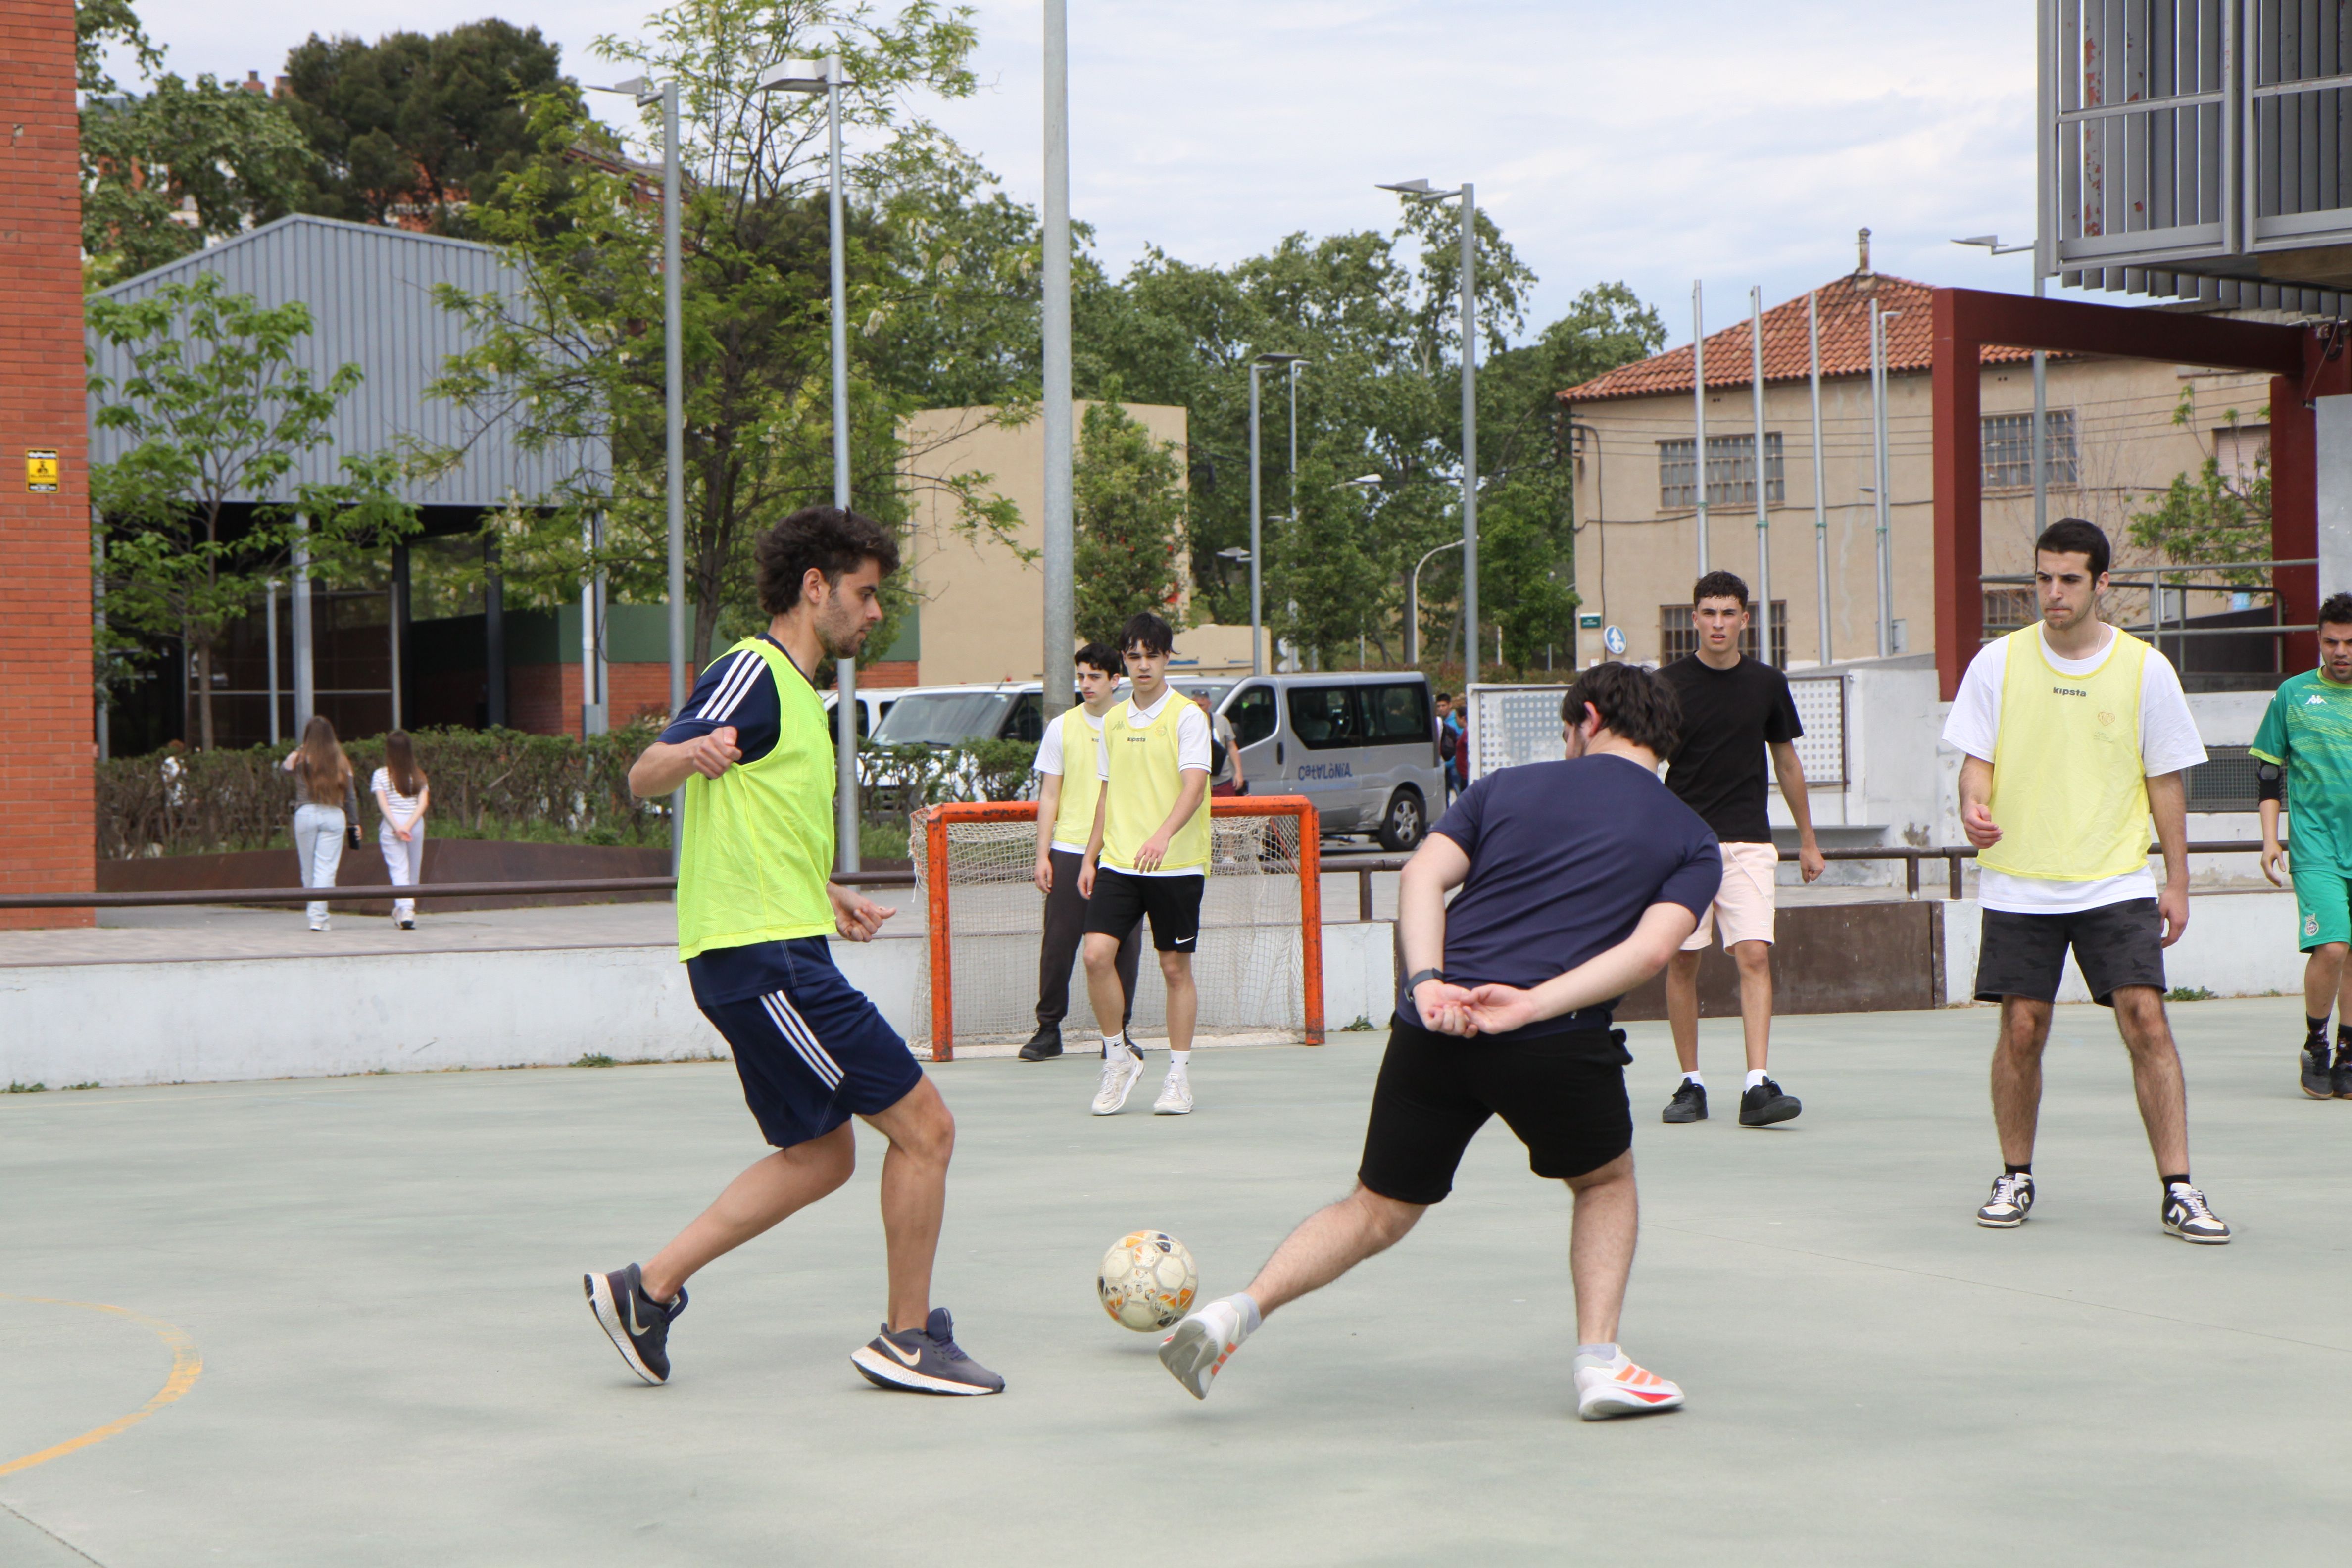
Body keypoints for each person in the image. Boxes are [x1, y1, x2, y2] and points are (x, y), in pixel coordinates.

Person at [1155, 663, 1719, 1420]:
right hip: (1556, 1037)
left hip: (1438, 1024)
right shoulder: (1692, 836)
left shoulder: (1507, 788)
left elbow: (1422, 876)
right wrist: (1529, 1008)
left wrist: (1425, 982)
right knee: (1604, 1183)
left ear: (1588, 719)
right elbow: (1651, 954)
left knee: (1376, 1207)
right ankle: (1599, 1363)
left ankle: (1238, 1311)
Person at [585, 505, 1004, 1396]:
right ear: (814, 589)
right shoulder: (755, 669)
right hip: (765, 959)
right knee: (926, 1128)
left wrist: (826, 892)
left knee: (824, 1154)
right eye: (865, 593)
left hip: (767, 949)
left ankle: (645, 1291)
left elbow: (760, 827)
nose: (874, 611)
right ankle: (906, 1337)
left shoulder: (798, 700)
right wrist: (687, 750)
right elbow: (642, 773)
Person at [1943, 517, 2227, 1243]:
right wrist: (1972, 808)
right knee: (2022, 1028)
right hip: (2020, 882)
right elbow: (1976, 762)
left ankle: (2180, 1188)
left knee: (2147, 1021)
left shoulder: (2145, 669)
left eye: (2069, 579)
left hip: (2115, 880)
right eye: (2043, 577)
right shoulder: (1997, 663)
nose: (2053, 592)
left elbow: (2165, 782)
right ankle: (2015, 1174)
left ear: (2102, 583)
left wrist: (2179, 881)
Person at [1653, 571, 1825, 1128]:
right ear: (1694, 618)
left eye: (1729, 613)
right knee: (1683, 961)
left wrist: (1808, 840)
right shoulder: (1666, 685)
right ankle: (1691, 1083)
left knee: (1754, 955)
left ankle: (1757, 1086)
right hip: (1681, 843)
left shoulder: (1767, 684)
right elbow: (1643, 762)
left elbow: (1788, 763)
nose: (1718, 623)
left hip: (1749, 840)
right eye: (1709, 613)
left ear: (1746, 619)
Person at [1079, 612, 1213, 1117]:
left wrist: (1162, 835)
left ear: (1166, 658)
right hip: (1119, 862)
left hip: (1175, 863)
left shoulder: (1187, 717)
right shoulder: (1111, 720)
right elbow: (1106, 793)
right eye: (1133, 657)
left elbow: (1195, 786)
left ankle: (1178, 1076)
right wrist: (1091, 856)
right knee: (1095, 955)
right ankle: (1119, 1057)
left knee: (1174, 968)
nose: (1142, 666)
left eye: (1151, 655)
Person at [1021, 643, 1143, 1063]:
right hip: (1070, 848)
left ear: (1115, 680)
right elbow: (1050, 794)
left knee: (1123, 945)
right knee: (1058, 943)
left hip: (1121, 851)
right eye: (1081, 676)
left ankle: (1118, 1033)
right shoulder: (1062, 727)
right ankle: (1048, 1028)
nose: (1086, 684)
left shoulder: (1132, 724)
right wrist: (1043, 854)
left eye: (1095, 676)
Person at [2254, 591, 2352, 1100]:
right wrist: (2271, 839)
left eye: (2351, 643)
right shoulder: (2293, 695)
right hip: (2317, 848)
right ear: (2318, 640)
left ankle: (2349, 1051)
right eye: (2332, 641)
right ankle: (2316, 1043)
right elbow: (2270, 772)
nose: (2341, 652)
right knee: (2332, 946)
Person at [281, 716, 358, 933]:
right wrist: (355, 822)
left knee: (308, 869)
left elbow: (281, 770)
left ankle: (314, 914)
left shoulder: (299, 757)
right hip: (334, 814)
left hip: (305, 813)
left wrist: (300, 750)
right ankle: (319, 917)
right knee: (326, 868)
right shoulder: (342, 760)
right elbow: (351, 795)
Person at [372, 730, 430, 931]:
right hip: (415, 825)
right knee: (414, 869)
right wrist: (409, 826)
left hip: (391, 826)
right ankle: (407, 910)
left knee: (398, 869)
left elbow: (383, 804)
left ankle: (405, 910)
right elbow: (423, 803)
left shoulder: (380, 775)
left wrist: (398, 827)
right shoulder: (419, 774)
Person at [1202, 693, 1246, 797]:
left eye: (1201, 705)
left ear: (1209, 704)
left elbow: (1232, 747)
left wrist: (1239, 773)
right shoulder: (1186, 722)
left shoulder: (1221, 721)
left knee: (1228, 812)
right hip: (1200, 783)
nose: (1198, 708)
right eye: (1195, 705)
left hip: (1223, 781)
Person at [1436, 692, 1464, 803]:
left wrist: (1449, 763)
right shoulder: (1442, 721)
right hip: (1447, 766)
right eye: (1439, 706)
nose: (1441, 709)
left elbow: (1459, 746)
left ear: (1450, 705)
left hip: (1454, 766)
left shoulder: (1456, 722)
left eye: (1444, 706)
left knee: (1460, 795)